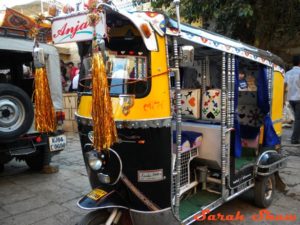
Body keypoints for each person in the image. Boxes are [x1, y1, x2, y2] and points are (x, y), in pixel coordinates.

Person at [284, 55, 300, 144]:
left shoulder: (288, 73)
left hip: (290, 99)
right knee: (298, 119)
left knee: (297, 119)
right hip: (299, 98)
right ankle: (294, 139)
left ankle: (296, 137)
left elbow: (284, 86)